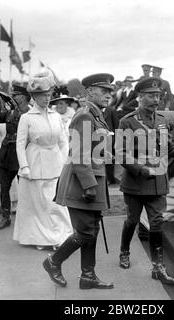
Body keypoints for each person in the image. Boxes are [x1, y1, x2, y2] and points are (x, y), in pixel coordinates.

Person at [115, 77, 174, 285]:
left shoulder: (161, 120)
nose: (156, 100)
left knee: (157, 223)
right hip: (136, 183)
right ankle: (124, 251)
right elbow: (120, 153)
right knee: (132, 220)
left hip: (158, 182)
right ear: (140, 97)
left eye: (158, 96)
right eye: (152, 96)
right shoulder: (128, 121)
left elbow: (167, 145)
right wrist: (141, 169)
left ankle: (158, 267)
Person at [43, 73, 115, 290]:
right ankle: (53, 262)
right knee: (85, 232)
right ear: (90, 91)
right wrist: (90, 185)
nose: (109, 96)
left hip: (92, 179)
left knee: (91, 229)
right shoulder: (85, 115)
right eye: (104, 91)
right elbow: (79, 154)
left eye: (110, 92)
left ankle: (88, 276)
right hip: (83, 183)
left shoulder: (97, 115)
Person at [14, 74, 72, 250]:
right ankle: (42, 238)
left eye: (49, 95)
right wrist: (24, 165)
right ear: (34, 97)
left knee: (56, 202)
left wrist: (63, 162)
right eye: (42, 96)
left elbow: (64, 141)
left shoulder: (56, 116)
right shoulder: (27, 118)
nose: (47, 99)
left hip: (55, 162)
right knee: (39, 204)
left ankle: (62, 235)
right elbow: (20, 144)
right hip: (35, 163)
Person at [0, 84, 31, 230]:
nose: (13, 97)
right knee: (4, 188)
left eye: (15, 95)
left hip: (23, 158)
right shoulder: (10, 113)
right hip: (6, 156)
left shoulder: (32, 114)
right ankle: (5, 217)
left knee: (26, 189)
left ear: (23, 97)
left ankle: (27, 220)